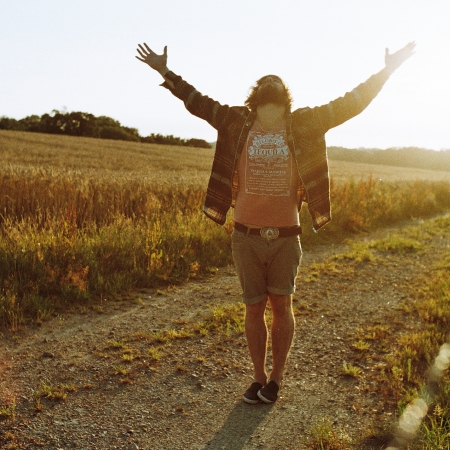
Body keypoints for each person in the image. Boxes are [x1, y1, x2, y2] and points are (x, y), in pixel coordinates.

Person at [135, 41, 415, 404]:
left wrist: (387, 71)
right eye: (265, 81)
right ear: (255, 96)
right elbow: (196, 100)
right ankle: (256, 377)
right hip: (245, 235)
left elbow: (352, 101)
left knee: (282, 306)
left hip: (286, 236)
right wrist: (164, 72)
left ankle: (277, 379)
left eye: (276, 81)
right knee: (253, 307)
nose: (271, 84)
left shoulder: (305, 123)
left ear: (285, 96)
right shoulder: (234, 120)